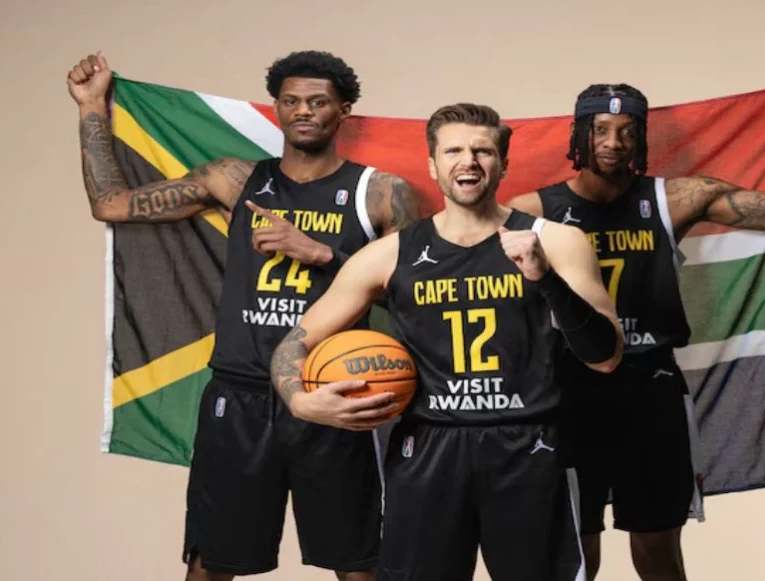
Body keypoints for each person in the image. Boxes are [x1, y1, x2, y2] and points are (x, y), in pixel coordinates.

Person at [66, 49, 422, 581]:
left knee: (360, 566)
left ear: (343, 110)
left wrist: (323, 254)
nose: (303, 111)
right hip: (239, 396)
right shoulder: (234, 180)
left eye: (318, 102)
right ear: (277, 107)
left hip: (334, 393)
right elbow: (111, 204)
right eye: (291, 101)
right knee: (210, 564)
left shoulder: (381, 193)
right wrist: (91, 105)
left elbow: (419, 298)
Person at [507, 74, 765, 581]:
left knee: (659, 556)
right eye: (600, 129)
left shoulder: (675, 199)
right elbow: (448, 250)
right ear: (578, 133)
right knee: (574, 558)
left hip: (649, 392)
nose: (614, 142)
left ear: (643, 137)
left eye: (628, 131)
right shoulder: (531, 212)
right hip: (568, 393)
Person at [268, 103, 626, 581]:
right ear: (433, 166)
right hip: (428, 448)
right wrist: (301, 402)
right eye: (453, 151)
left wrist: (545, 279)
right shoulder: (389, 255)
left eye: (483, 151)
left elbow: (606, 357)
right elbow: (293, 344)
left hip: (531, 445)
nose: (469, 161)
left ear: (503, 163)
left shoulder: (556, 241)